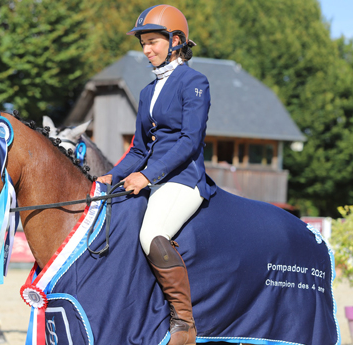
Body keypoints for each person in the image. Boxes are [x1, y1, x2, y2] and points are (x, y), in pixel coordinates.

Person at [96, 5, 211, 345]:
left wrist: (147, 177)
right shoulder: (147, 92)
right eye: (143, 43)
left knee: (151, 234)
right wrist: (110, 177)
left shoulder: (194, 82)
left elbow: (191, 141)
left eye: (152, 42)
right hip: (152, 177)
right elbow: (138, 149)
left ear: (176, 40)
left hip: (183, 179)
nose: (146, 50)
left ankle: (184, 323)